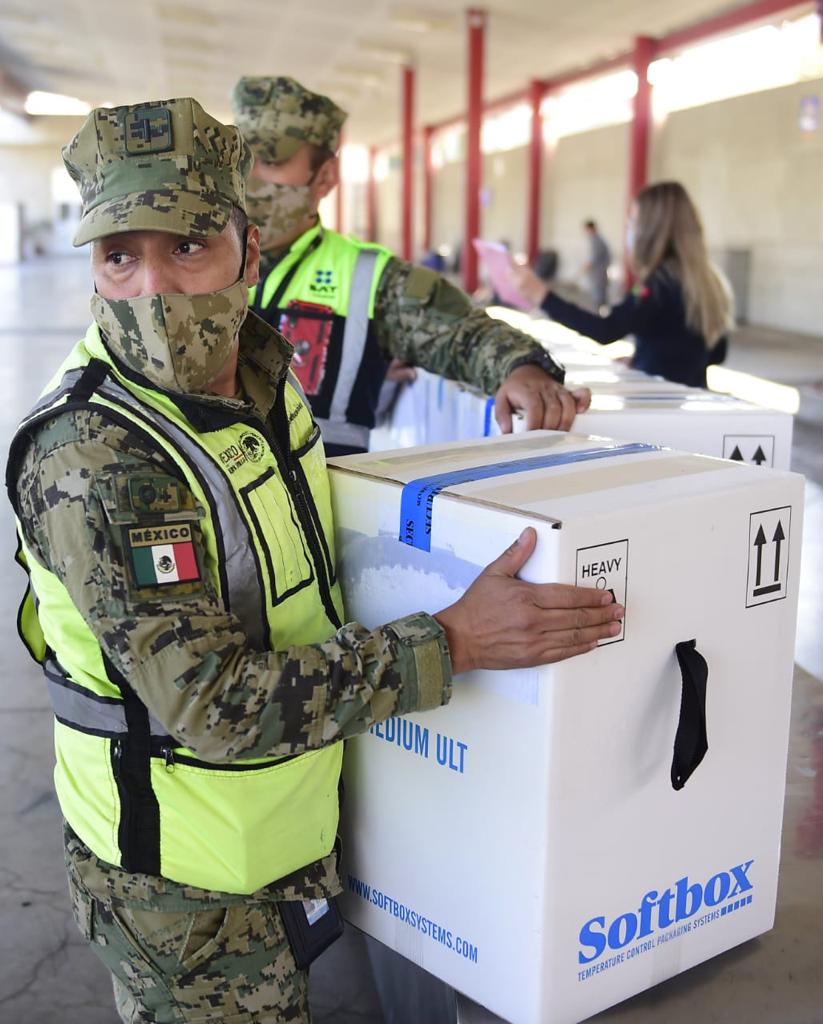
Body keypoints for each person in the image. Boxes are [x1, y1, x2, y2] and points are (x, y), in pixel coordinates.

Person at [5, 97, 624, 1024]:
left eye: (186, 247)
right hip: (184, 891)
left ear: (246, 250)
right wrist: (450, 640)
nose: (154, 290)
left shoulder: (261, 373)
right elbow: (212, 704)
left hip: (279, 834)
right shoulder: (97, 455)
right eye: (119, 257)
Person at [231, 77, 590, 456]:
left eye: (269, 162)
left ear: (324, 178)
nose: (249, 179)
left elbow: (467, 335)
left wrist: (522, 368)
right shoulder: (186, 254)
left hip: (318, 506)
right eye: (242, 159)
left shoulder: (370, 278)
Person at [514, 184, 733, 388]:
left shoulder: (657, 283)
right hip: (692, 393)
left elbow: (607, 329)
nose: (629, 229)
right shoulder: (710, 282)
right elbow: (716, 353)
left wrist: (543, 296)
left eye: (633, 222)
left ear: (651, 230)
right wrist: (644, 358)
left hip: (657, 398)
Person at [582, 219, 611, 310]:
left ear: (591, 229)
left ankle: (600, 316)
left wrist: (586, 267)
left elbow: (594, 258)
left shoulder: (597, 240)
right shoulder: (598, 239)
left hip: (599, 273)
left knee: (599, 297)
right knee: (600, 295)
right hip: (599, 272)